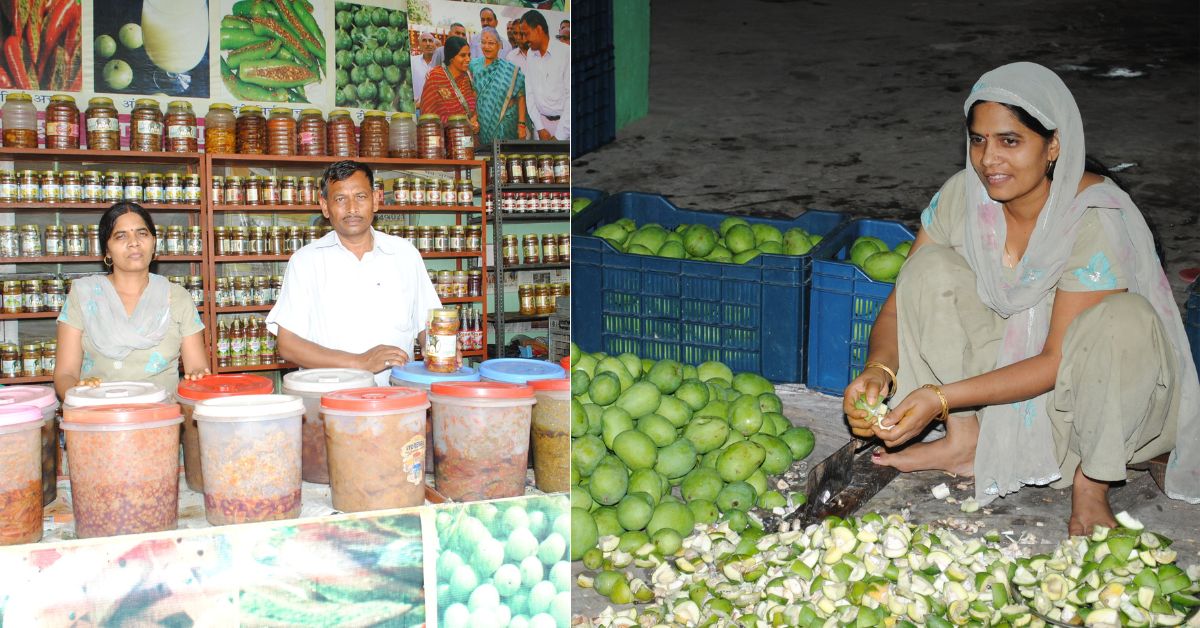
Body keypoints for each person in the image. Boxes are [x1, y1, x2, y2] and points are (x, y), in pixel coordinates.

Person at [844, 62, 1199, 535]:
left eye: (1010, 141)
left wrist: (940, 397)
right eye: (978, 140)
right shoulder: (963, 197)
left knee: (1123, 318)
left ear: (1053, 145)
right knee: (928, 270)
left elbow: (1054, 360)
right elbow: (899, 299)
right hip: (1004, 398)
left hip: (1088, 408)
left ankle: (1091, 482)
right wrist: (879, 370)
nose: (989, 159)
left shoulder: (1094, 218)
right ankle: (965, 442)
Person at [267, 161, 443, 387]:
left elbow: (428, 324)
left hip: (396, 399)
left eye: (360, 196)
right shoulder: (306, 261)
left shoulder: (405, 254)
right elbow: (288, 345)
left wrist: (441, 351)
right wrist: (360, 362)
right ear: (324, 206)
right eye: (340, 199)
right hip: (330, 401)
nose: (352, 208)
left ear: (376, 200)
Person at [54, 202, 209, 398]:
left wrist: (198, 377)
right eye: (121, 236)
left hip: (161, 420)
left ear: (153, 242)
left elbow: (197, 368)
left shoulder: (178, 297)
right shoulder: (83, 296)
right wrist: (78, 390)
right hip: (98, 417)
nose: (133, 242)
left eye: (142, 234)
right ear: (107, 251)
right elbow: (64, 374)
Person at [469, 26, 527, 147]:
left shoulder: (510, 69)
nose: (486, 47)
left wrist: (521, 124)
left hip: (505, 124)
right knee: (485, 157)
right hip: (482, 123)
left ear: (499, 45)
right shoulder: (473, 65)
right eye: (483, 42)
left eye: (491, 43)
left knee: (505, 158)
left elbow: (521, 95)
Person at [521, 10, 570, 140]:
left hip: (565, 127)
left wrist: (559, 136)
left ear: (538, 29)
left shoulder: (566, 53)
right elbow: (530, 93)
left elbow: (571, 97)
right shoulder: (531, 55)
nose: (525, 40)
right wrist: (540, 127)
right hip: (540, 128)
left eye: (526, 34)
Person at [419, 36, 480, 134]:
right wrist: (458, 124)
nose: (468, 59)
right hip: (445, 141)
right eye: (463, 55)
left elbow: (473, 107)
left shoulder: (467, 76)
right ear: (451, 57)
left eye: (469, 55)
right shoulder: (436, 76)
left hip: (467, 141)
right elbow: (427, 115)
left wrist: (474, 121)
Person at [412, 31, 439, 113]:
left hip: (437, 111)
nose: (428, 44)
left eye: (430, 41)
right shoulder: (412, 61)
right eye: (424, 40)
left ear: (435, 45)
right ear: (419, 45)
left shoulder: (441, 65)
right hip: (417, 110)